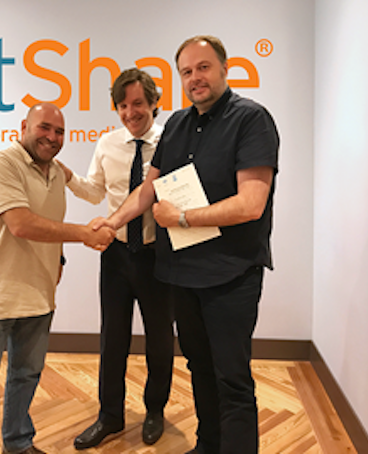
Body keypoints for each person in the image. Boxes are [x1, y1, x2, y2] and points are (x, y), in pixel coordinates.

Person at [94, 36, 279, 454]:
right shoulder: (177, 124)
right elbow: (149, 189)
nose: (195, 77)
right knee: (199, 368)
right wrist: (112, 221)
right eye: (187, 71)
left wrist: (182, 217)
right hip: (182, 274)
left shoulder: (251, 120)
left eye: (203, 67)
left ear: (224, 68)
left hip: (231, 275)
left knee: (232, 378)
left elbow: (251, 204)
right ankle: (207, 445)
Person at [0, 103, 115, 454]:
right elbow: (21, 224)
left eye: (59, 132)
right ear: (23, 127)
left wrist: (60, 258)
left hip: (38, 297)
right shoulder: (0, 165)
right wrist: (85, 235)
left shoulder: (56, 173)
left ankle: (18, 443)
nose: (52, 137)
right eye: (44, 128)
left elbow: (55, 218)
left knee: (25, 378)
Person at [59, 68, 175, 450]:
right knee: (112, 339)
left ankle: (155, 411)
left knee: (160, 339)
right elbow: (95, 192)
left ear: (154, 102)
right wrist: (68, 176)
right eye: (122, 106)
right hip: (116, 254)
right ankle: (110, 416)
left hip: (159, 256)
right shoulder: (107, 143)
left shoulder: (171, 141)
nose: (130, 113)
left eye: (138, 103)